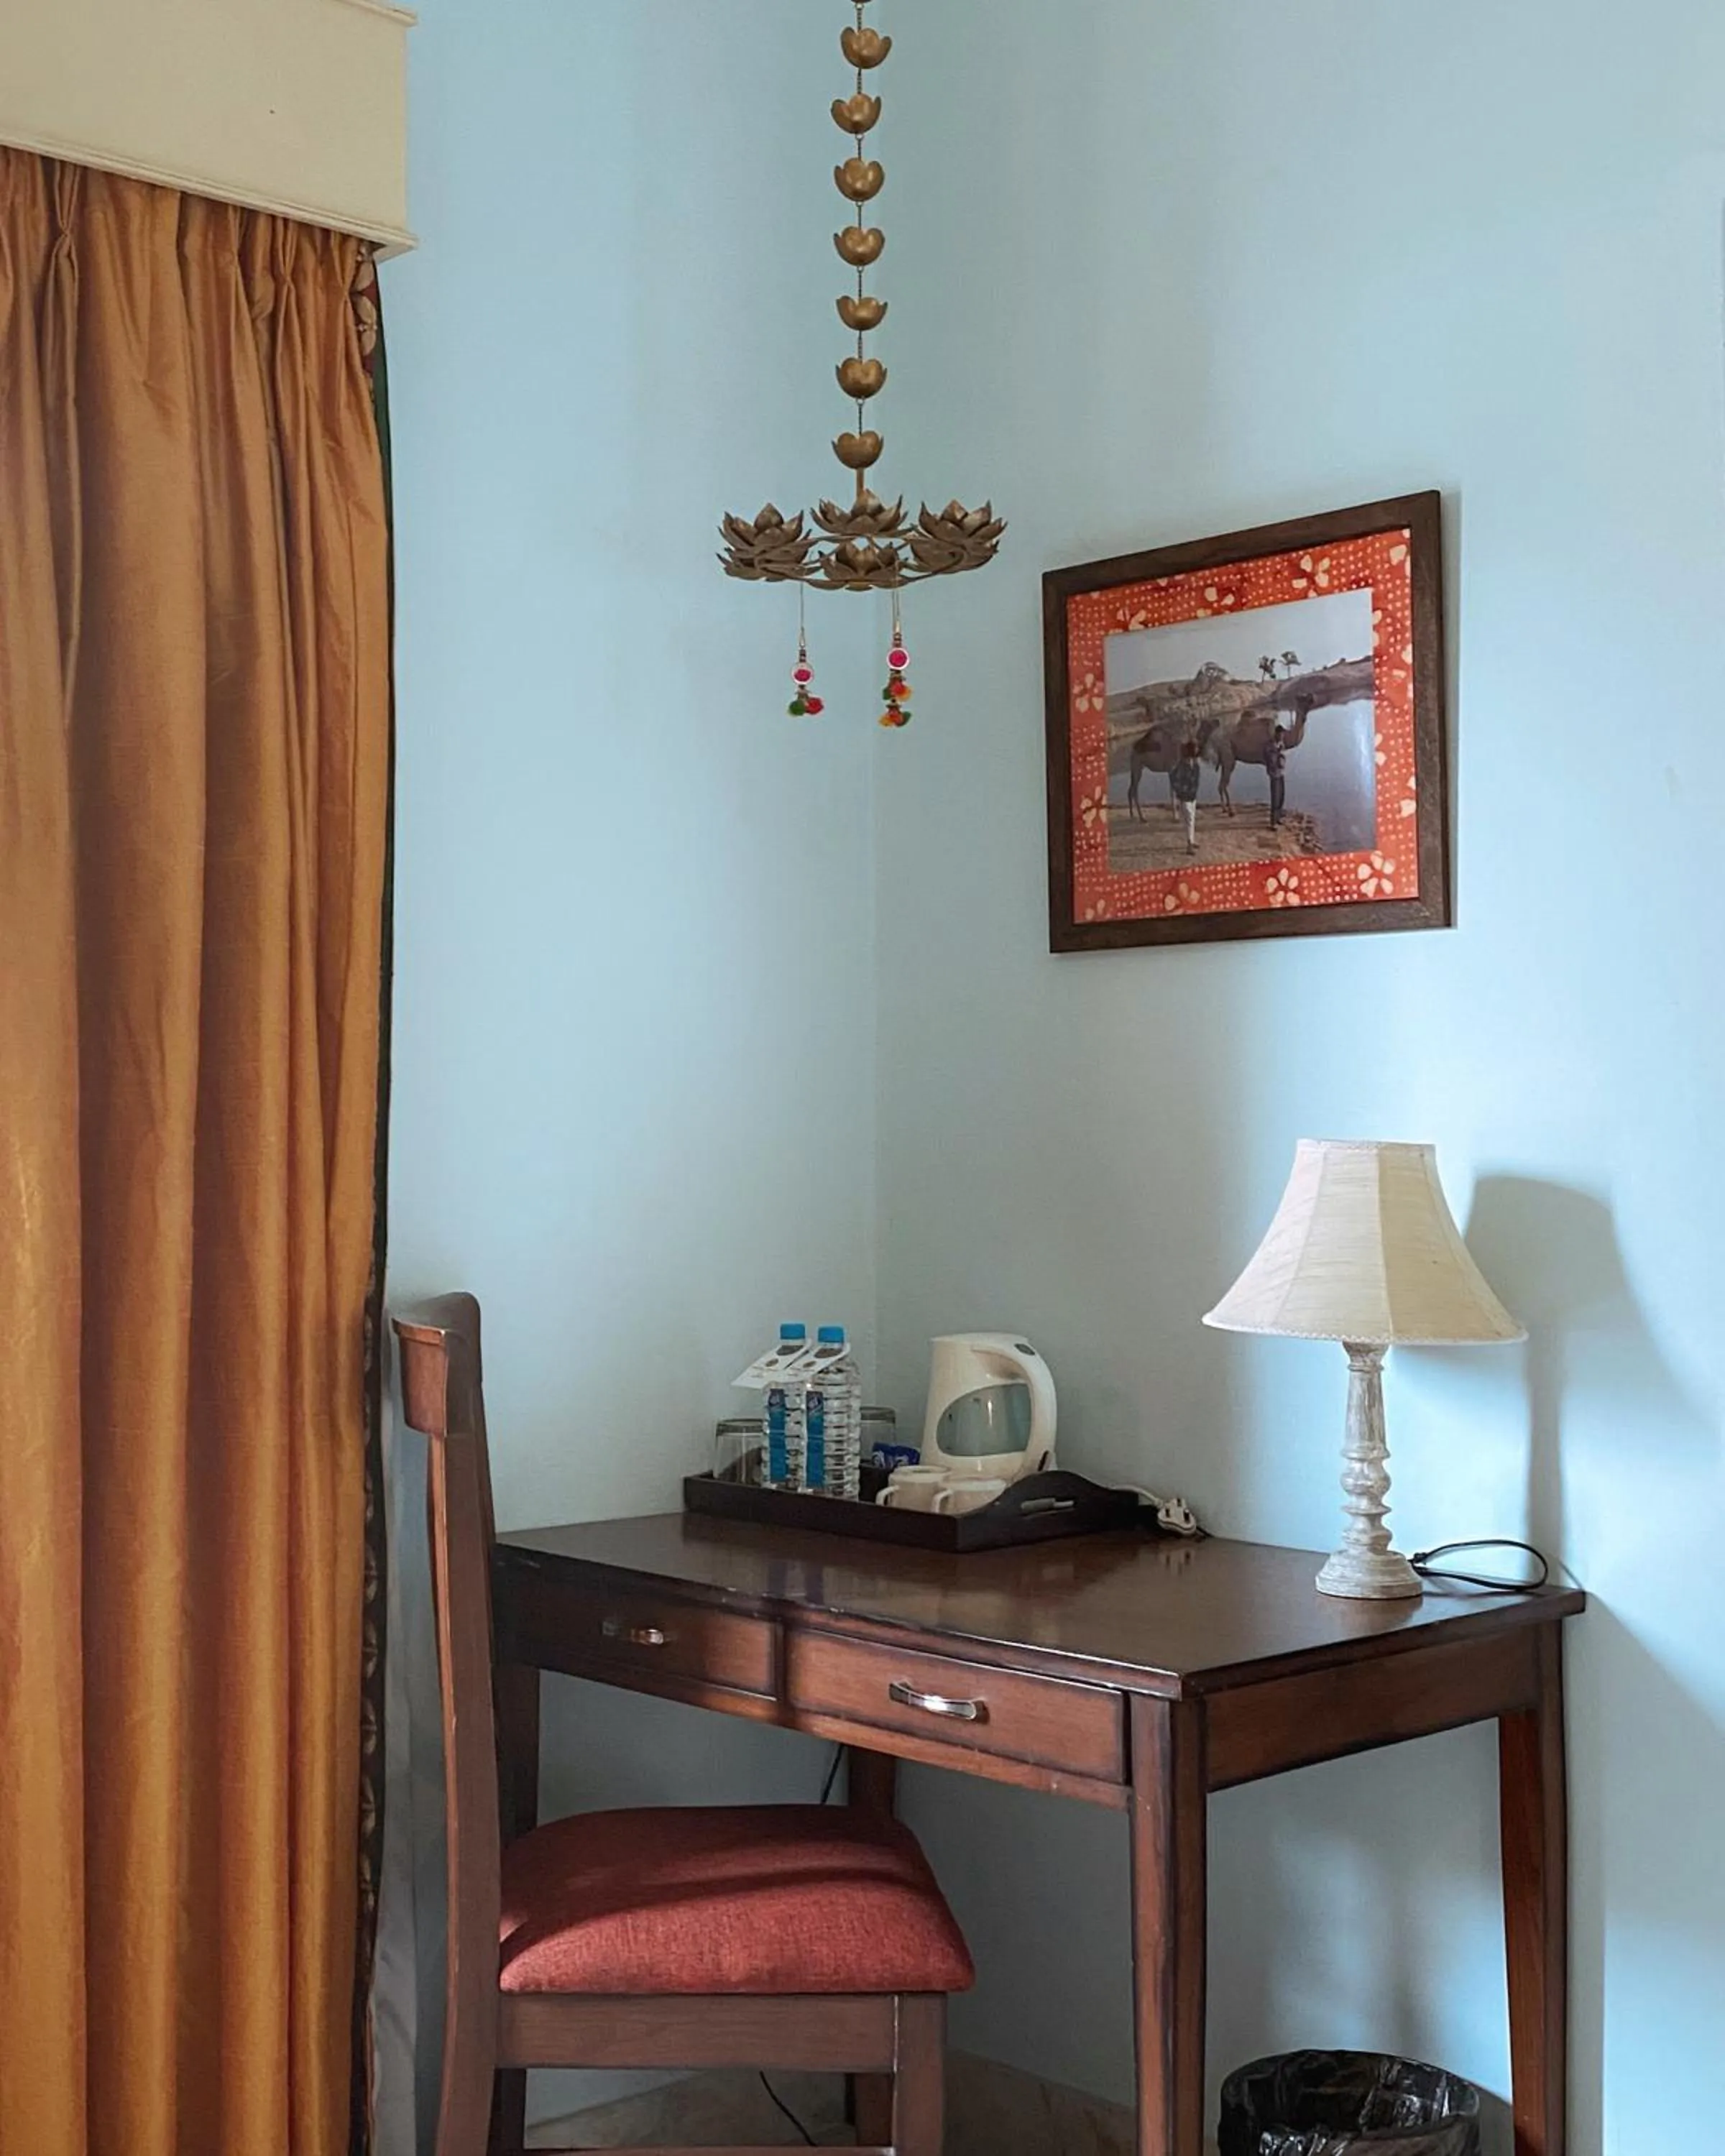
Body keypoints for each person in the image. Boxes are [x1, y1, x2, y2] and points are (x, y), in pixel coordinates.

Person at [1172, 737, 1201, 854]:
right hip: (1185, 796)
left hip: (1193, 795)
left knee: (1192, 819)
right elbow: (1174, 779)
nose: (1198, 750)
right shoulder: (1182, 765)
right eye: (1196, 748)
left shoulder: (1194, 763)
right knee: (1189, 819)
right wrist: (1181, 791)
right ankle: (1189, 845)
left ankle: (1192, 841)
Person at [1264, 722, 1288, 829]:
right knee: (1275, 797)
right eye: (1280, 734)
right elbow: (1269, 758)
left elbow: (1284, 757)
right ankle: (1273, 822)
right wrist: (1277, 753)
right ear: (1277, 734)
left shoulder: (1282, 744)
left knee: (1281, 796)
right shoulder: (1270, 745)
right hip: (1274, 774)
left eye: (1283, 734)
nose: (1282, 736)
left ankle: (1278, 817)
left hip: (1281, 772)